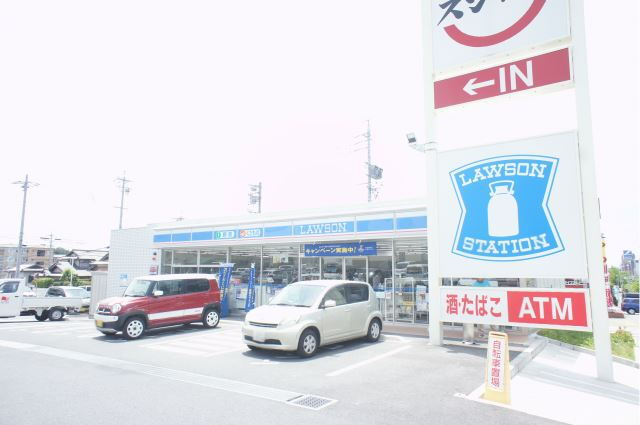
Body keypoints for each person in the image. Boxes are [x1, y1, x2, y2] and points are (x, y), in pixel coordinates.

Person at [462, 277, 491, 345]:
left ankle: (493, 334)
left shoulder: (487, 282)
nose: (480, 278)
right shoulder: (475, 284)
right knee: (480, 321)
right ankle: (481, 334)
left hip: (487, 303)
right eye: (478, 277)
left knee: (489, 321)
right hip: (479, 304)